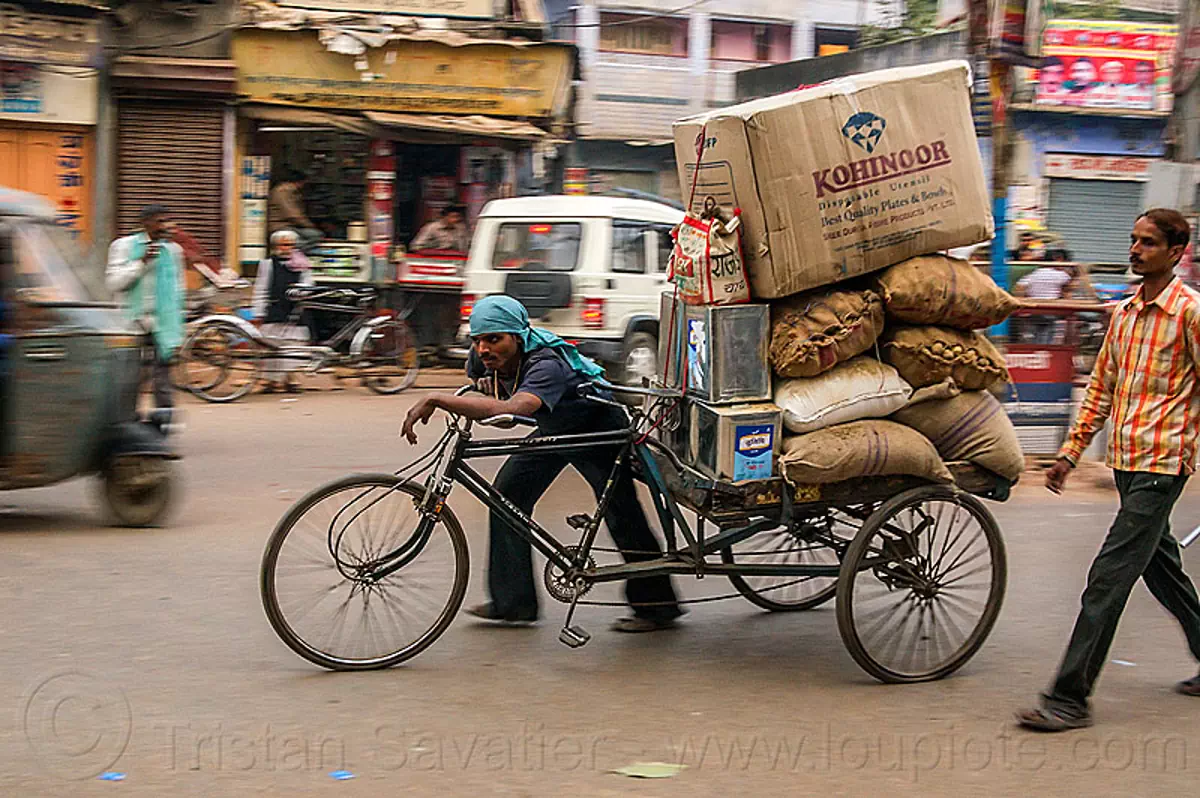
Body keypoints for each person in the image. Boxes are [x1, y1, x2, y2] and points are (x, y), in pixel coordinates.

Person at [1016, 209, 1200, 732]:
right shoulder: (1122, 315)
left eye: (1147, 242)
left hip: (1164, 463)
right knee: (1162, 566)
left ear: (1175, 252)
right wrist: (1070, 453)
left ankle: (1069, 697)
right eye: (1133, 240)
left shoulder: (1189, 313)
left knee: (1108, 577)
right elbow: (1100, 388)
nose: (1135, 249)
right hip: (1125, 459)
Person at [401, 295, 683, 632]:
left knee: (621, 511)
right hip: (554, 426)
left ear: (518, 338)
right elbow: (484, 385)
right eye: (478, 340)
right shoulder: (483, 359)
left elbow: (516, 407)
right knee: (506, 495)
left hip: (597, 428)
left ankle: (656, 605)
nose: (484, 349)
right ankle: (513, 603)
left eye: (494, 340)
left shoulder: (546, 364)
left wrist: (436, 398)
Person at [106, 204, 185, 416]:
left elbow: (178, 289)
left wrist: (178, 325)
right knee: (129, 378)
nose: (164, 226)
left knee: (163, 380)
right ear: (145, 223)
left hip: (164, 323)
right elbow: (114, 284)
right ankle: (126, 422)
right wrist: (141, 262)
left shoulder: (173, 251)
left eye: (167, 221)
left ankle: (163, 423)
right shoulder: (123, 247)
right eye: (159, 221)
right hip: (131, 322)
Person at [252, 229, 315, 394]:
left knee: (293, 346)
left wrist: (301, 292)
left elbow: (308, 284)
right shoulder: (267, 264)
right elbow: (261, 288)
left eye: (290, 245)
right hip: (274, 310)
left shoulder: (303, 264)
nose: (287, 248)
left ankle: (290, 379)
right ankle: (271, 381)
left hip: (294, 309)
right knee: (271, 345)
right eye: (284, 245)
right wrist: (258, 311)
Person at [268, 170, 321, 251]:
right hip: (280, 227)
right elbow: (292, 214)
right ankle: (296, 252)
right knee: (311, 237)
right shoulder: (283, 191)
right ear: (300, 182)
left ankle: (297, 251)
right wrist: (309, 225)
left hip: (289, 226)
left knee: (315, 234)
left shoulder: (290, 191)